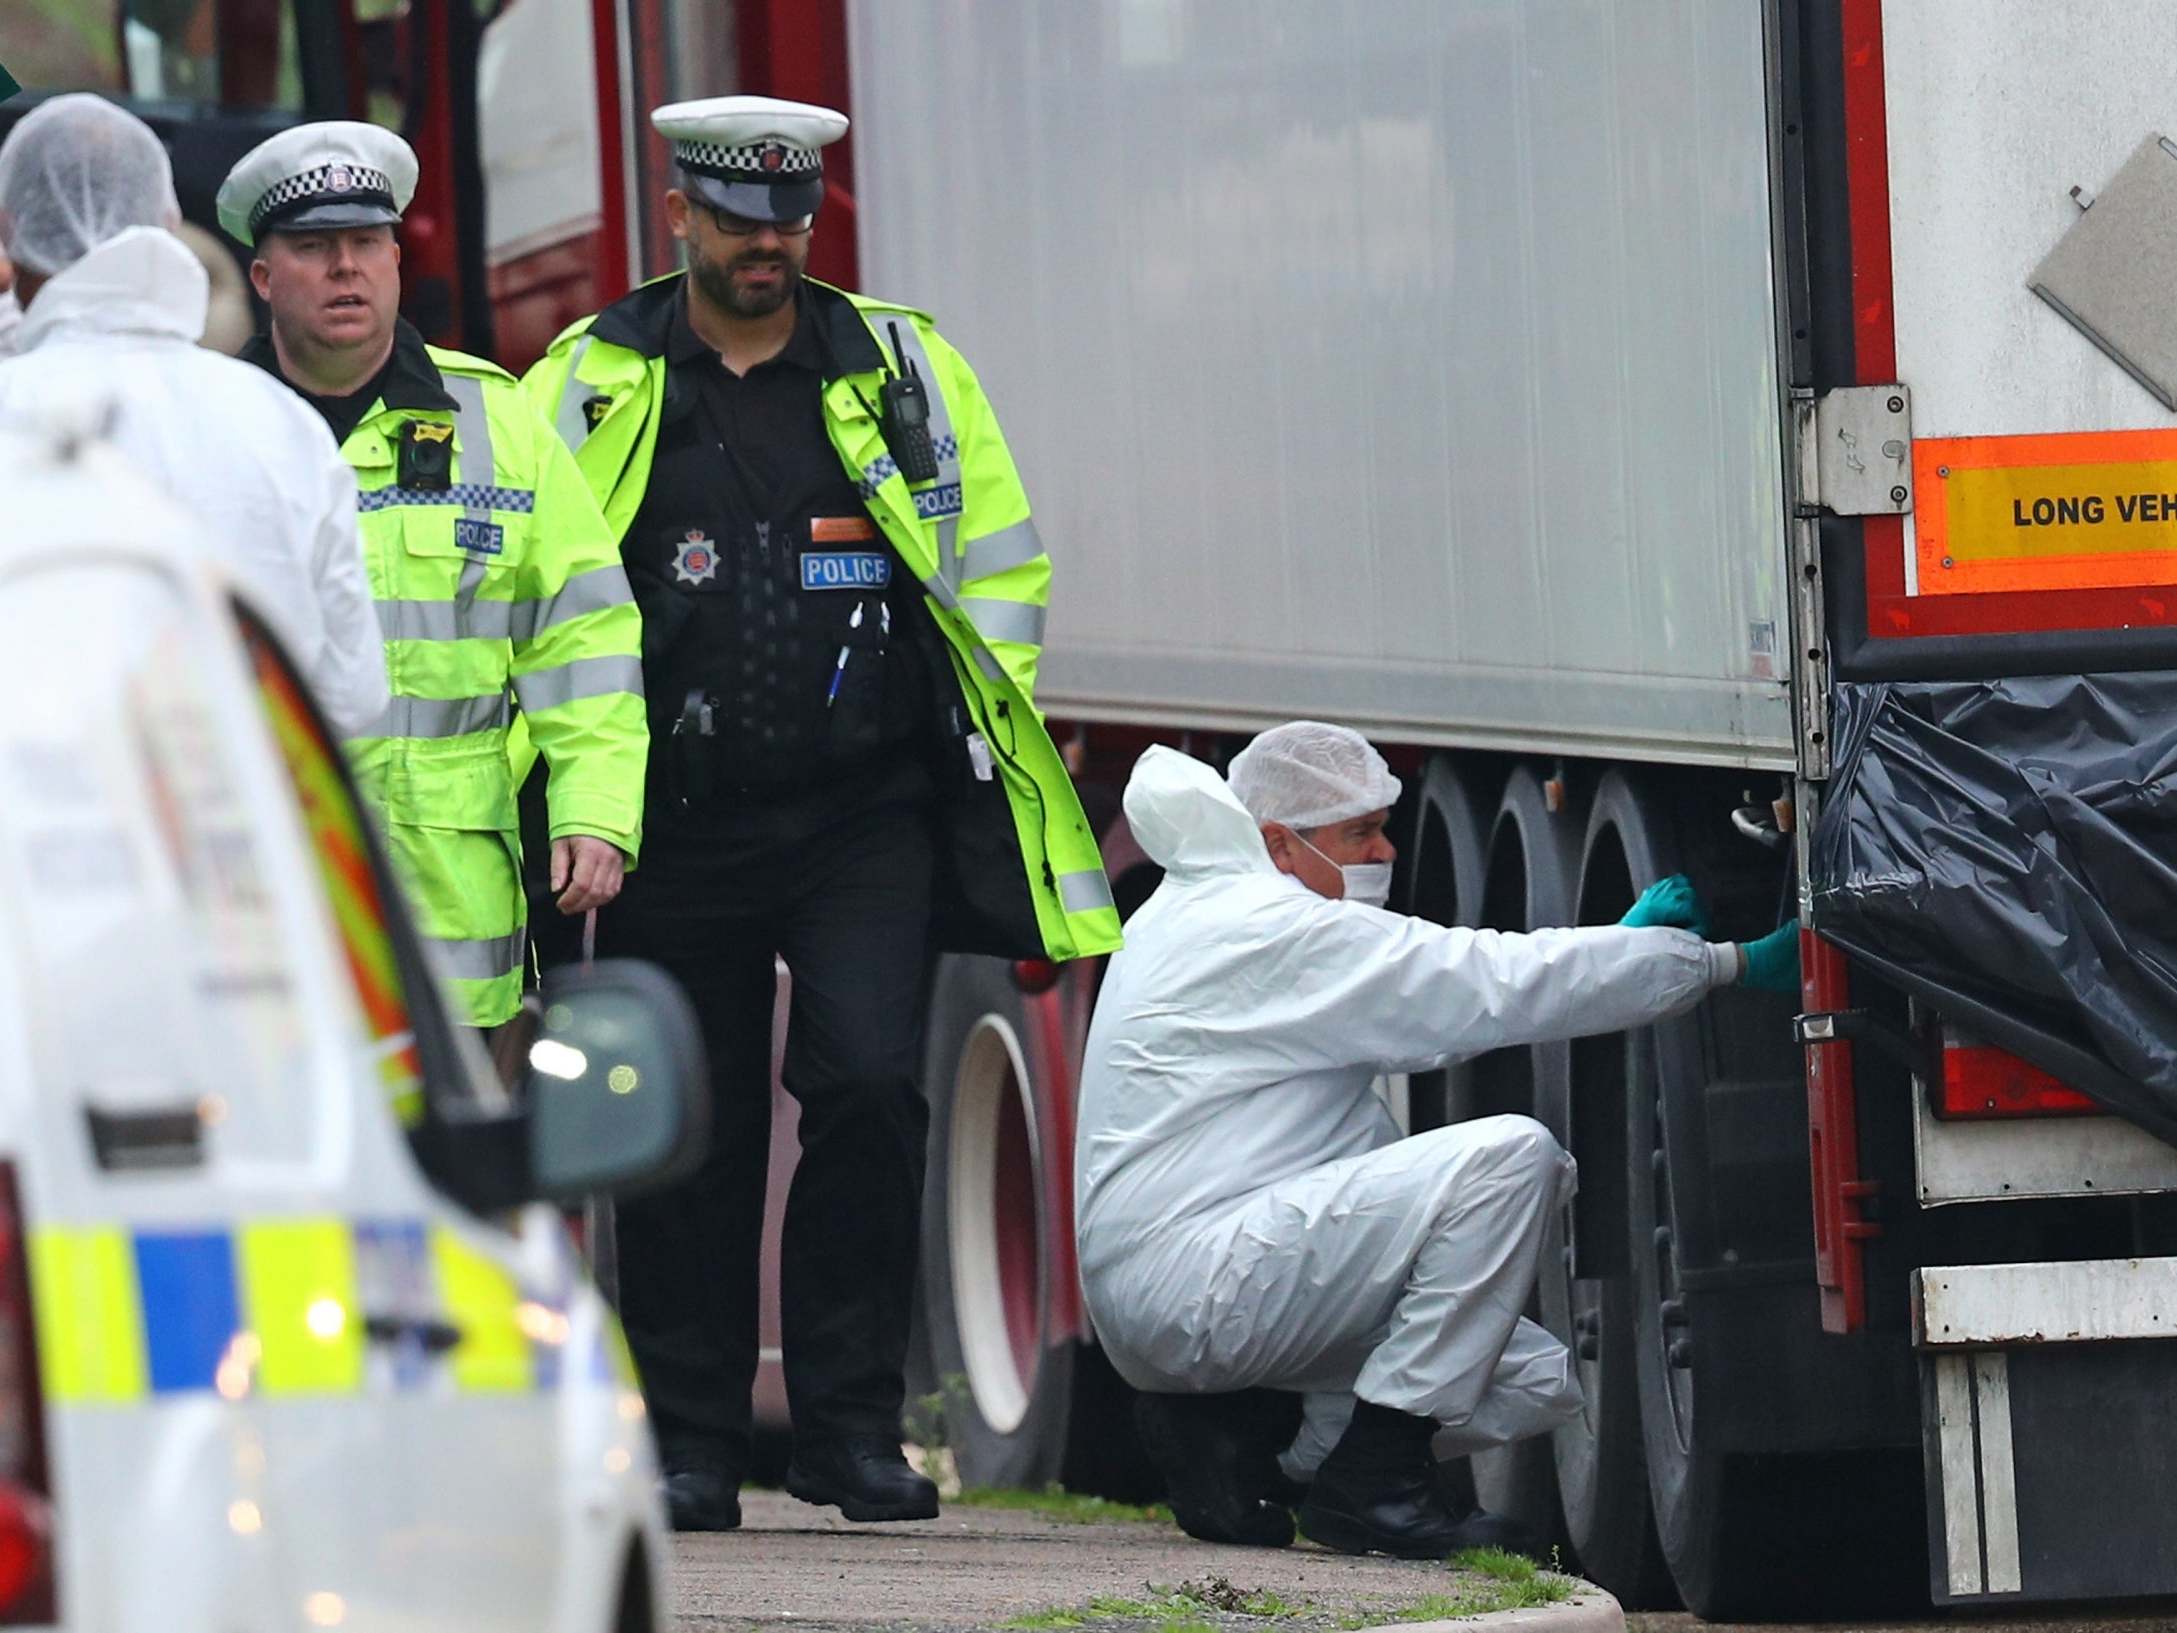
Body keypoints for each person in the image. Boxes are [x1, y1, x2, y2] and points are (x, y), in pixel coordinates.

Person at [521, 95, 1121, 1531]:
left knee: (866, 1087)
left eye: (788, 222)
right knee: (683, 1126)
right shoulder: (588, 378)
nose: (765, 248)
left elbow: (998, 563)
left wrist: (976, 725)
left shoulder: (901, 365)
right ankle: (688, 1440)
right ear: (680, 216)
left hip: (867, 814)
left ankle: (853, 1432)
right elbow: (538, 595)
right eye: (737, 223)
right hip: (670, 814)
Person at [1075, 723, 1800, 1559]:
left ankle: (1247, 1442)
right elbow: (1479, 985)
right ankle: (1372, 1483)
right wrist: (1722, 965)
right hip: (1195, 1281)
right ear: (1278, 841)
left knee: (1528, 1377)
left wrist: (1617, 949)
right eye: (1359, 833)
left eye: (1384, 825)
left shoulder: (1210, 906)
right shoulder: (1264, 925)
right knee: (1507, 1161)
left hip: (1200, 1275)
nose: (1385, 848)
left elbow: (1423, 1015)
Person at [216, 122, 646, 1029]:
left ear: (396, 262)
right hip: (260, 895)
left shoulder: (496, 419)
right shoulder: (208, 431)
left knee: (467, 1164)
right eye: (314, 247)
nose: (346, 269)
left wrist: (596, 810)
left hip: (451, 902)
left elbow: (583, 630)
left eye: (366, 243)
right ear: (263, 277)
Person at [0, 95, 387, 736]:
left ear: (12, 233)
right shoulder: (283, 424)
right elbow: (354, 696)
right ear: (167, 217)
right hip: (251, 825)